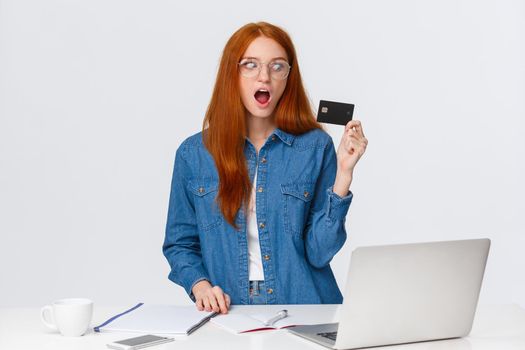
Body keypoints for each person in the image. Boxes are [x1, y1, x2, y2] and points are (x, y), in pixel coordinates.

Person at [163, 22, 367, 314]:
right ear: (231, 74)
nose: (265, 76)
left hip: (307, 307)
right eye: (250, 65)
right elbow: (180, 243)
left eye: (277, 66)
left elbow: (320, 253)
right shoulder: (194, 154)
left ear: (288, 76)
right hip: (229, 310)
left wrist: (343, 175)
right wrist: (200, 286)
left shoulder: (315, 146)